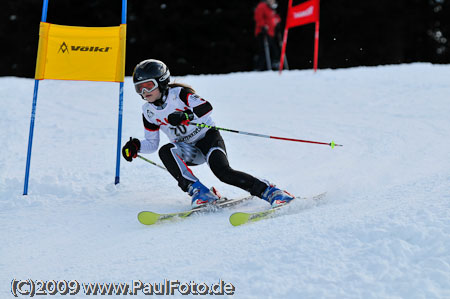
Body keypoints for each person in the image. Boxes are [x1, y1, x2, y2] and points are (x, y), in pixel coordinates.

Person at [122, 59, 294, 208]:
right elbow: (151, 143)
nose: (144, 92)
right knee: (165, 151)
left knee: (223, 173)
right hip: (187, 149)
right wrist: (136, 146)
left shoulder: (179, 94)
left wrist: (185, 115)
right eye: (139, 88)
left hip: (208, 139)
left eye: (148, 86)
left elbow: (206, 108)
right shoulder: (148, 112)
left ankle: (271, 192)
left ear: (161, 81)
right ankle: (200, 192)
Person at [254, 0, 282, 70]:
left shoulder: (272, 8)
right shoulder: (262, 6)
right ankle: (259, 67)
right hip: (263, 33)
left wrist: (277, 23)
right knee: (264, 51)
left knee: (274, 49)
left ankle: (275, 64)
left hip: (271, 33)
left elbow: (275, 18)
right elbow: (258, 17)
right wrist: (263, 26)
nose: (272, 2)